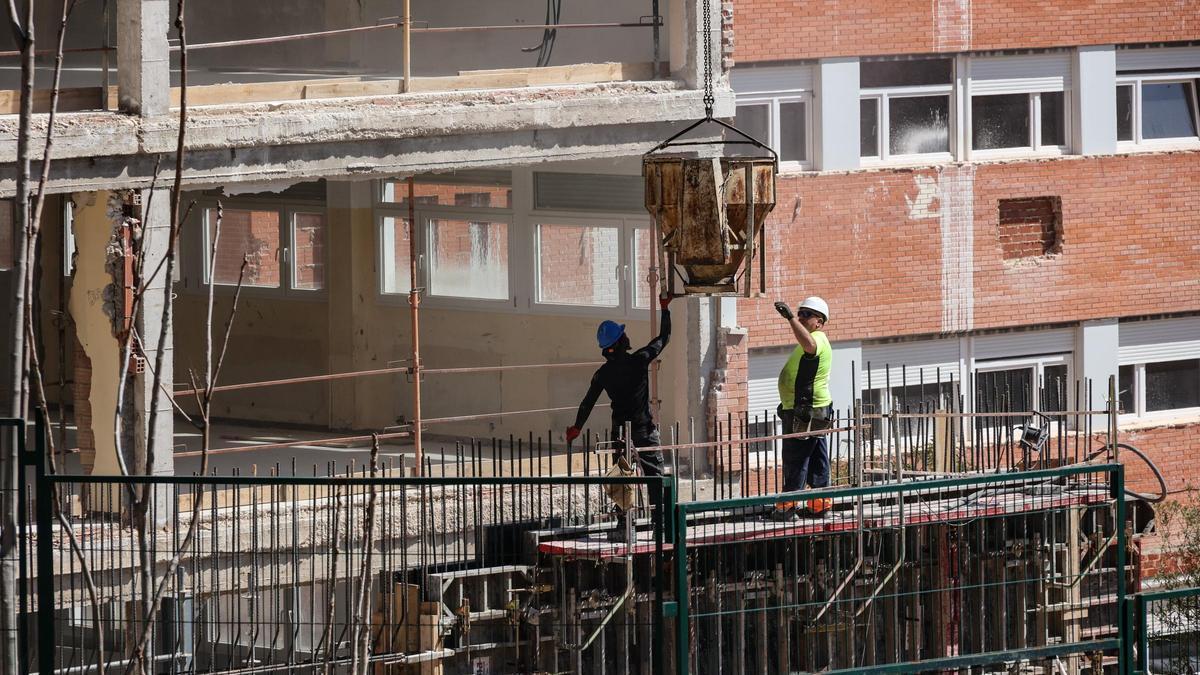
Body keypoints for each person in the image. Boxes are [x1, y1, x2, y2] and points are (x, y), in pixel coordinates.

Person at [567, 295, 672, 539]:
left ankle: (623, 527)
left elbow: (587, 402)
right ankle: (661, 527)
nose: (627, 336)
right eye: (623, 334)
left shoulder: (603, 373)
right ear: (621, 341)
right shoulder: (640, 360)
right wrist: (665, 310)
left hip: (621, 435)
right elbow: (663, 338)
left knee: (621, 478)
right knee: (655, 479)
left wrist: (576, 427)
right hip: (644, 431)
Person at [771, 296, 834, 522]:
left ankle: (786, 509)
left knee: (795, 458)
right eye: (800, 313)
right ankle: (820, 506)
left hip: (805, 412)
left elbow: (808, 344)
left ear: (820, 322)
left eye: (807, 314)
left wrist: (789, 318)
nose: (801, 317)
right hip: (812, 410)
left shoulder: (816, 340)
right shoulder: (815, 340)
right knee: (818, 457)